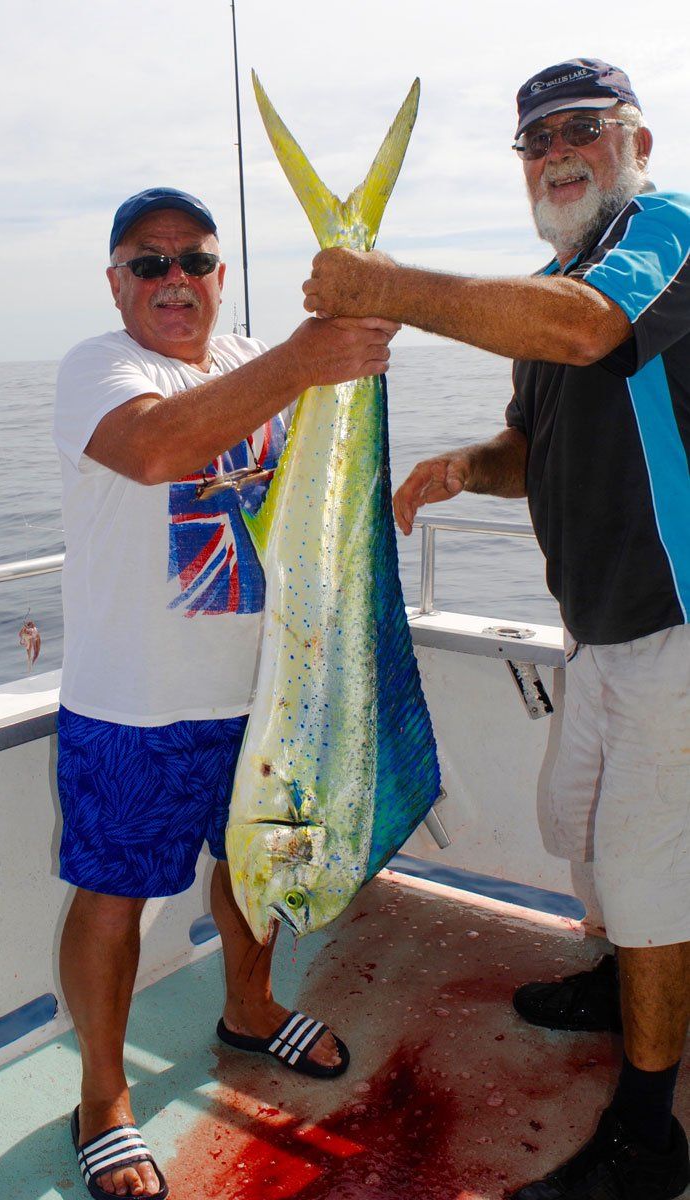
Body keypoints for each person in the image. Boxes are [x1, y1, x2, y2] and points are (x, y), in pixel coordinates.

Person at [302, 59, 689, 1200]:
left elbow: (584, 331)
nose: (557, 151)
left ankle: (647, 1133)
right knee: (575, 822)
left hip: (674, 622)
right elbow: (533, 442)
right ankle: (621, 980)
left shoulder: (663, 232)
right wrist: (464, 465)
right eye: (535, 139)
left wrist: (385, 285)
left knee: (646, 863)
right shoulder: (545, 289)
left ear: (636, 141)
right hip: (596, 629)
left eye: (582, 129)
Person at [52, 186, 397, 1200]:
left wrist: (354, 320)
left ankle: (250, 1009)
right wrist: (305, 356)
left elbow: (328, 465)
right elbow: (159, 447)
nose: (172, 280)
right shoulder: (98, 368)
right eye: (146, 263)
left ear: (219, 274)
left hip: (268, 694)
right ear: (116, 281)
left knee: (258, 870)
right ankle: (105, 1096)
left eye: (191, 260)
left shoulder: (256, 359)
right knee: (117, 896)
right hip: (136, 705)